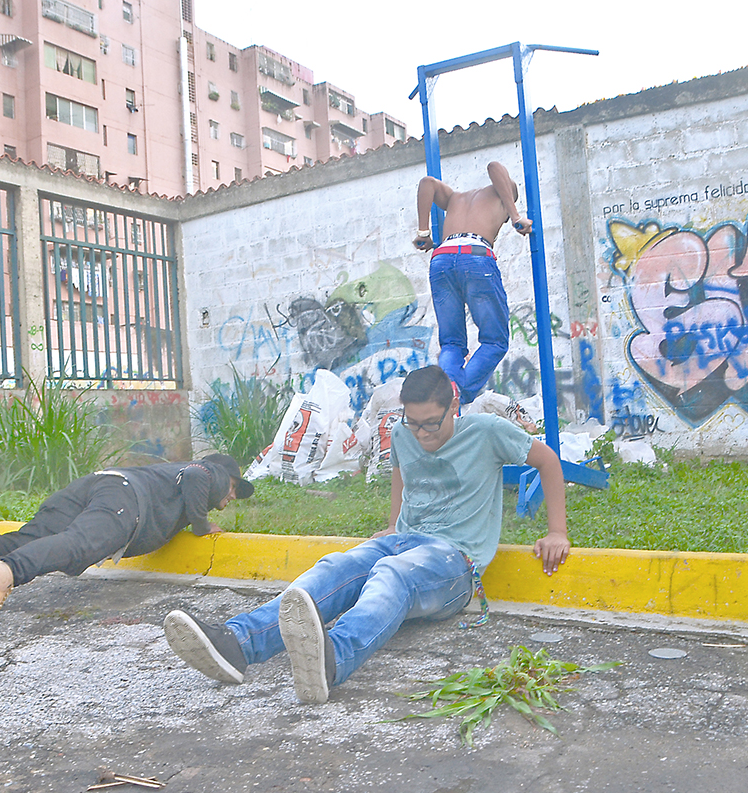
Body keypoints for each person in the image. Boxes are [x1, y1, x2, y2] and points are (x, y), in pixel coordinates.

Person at [163, 365, 568, 704]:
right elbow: (400, 472)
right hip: (402, 541)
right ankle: (238, 643)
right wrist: (394, 523)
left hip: (453, 562)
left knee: (392, 574)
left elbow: (548, 461)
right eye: (415, 423)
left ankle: (331, 657)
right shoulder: (405, 434)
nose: (423, 433)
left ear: (454, 406)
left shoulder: (486, 430)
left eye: (432, 423)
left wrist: (556, 531)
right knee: (339, 566)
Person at [0, 453, 254, 647]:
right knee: (78, 545)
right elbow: (198, 481)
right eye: (234, 491)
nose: (230, 498)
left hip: (96, 484)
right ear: (227, 476)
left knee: (21, 539)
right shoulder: (206, 472)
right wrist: (204, 525)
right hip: (123, 500)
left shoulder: (164, 473)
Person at [413, 161, 532, 405]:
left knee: (452, 343)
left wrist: (423, 233)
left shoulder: (455, 198)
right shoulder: (502, 191)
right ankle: (458, 395)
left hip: (441, 258)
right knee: (495, 340)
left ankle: (446, 397)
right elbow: (494, 166)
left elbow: (427, 183)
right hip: (475, 256)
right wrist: (515, 215)